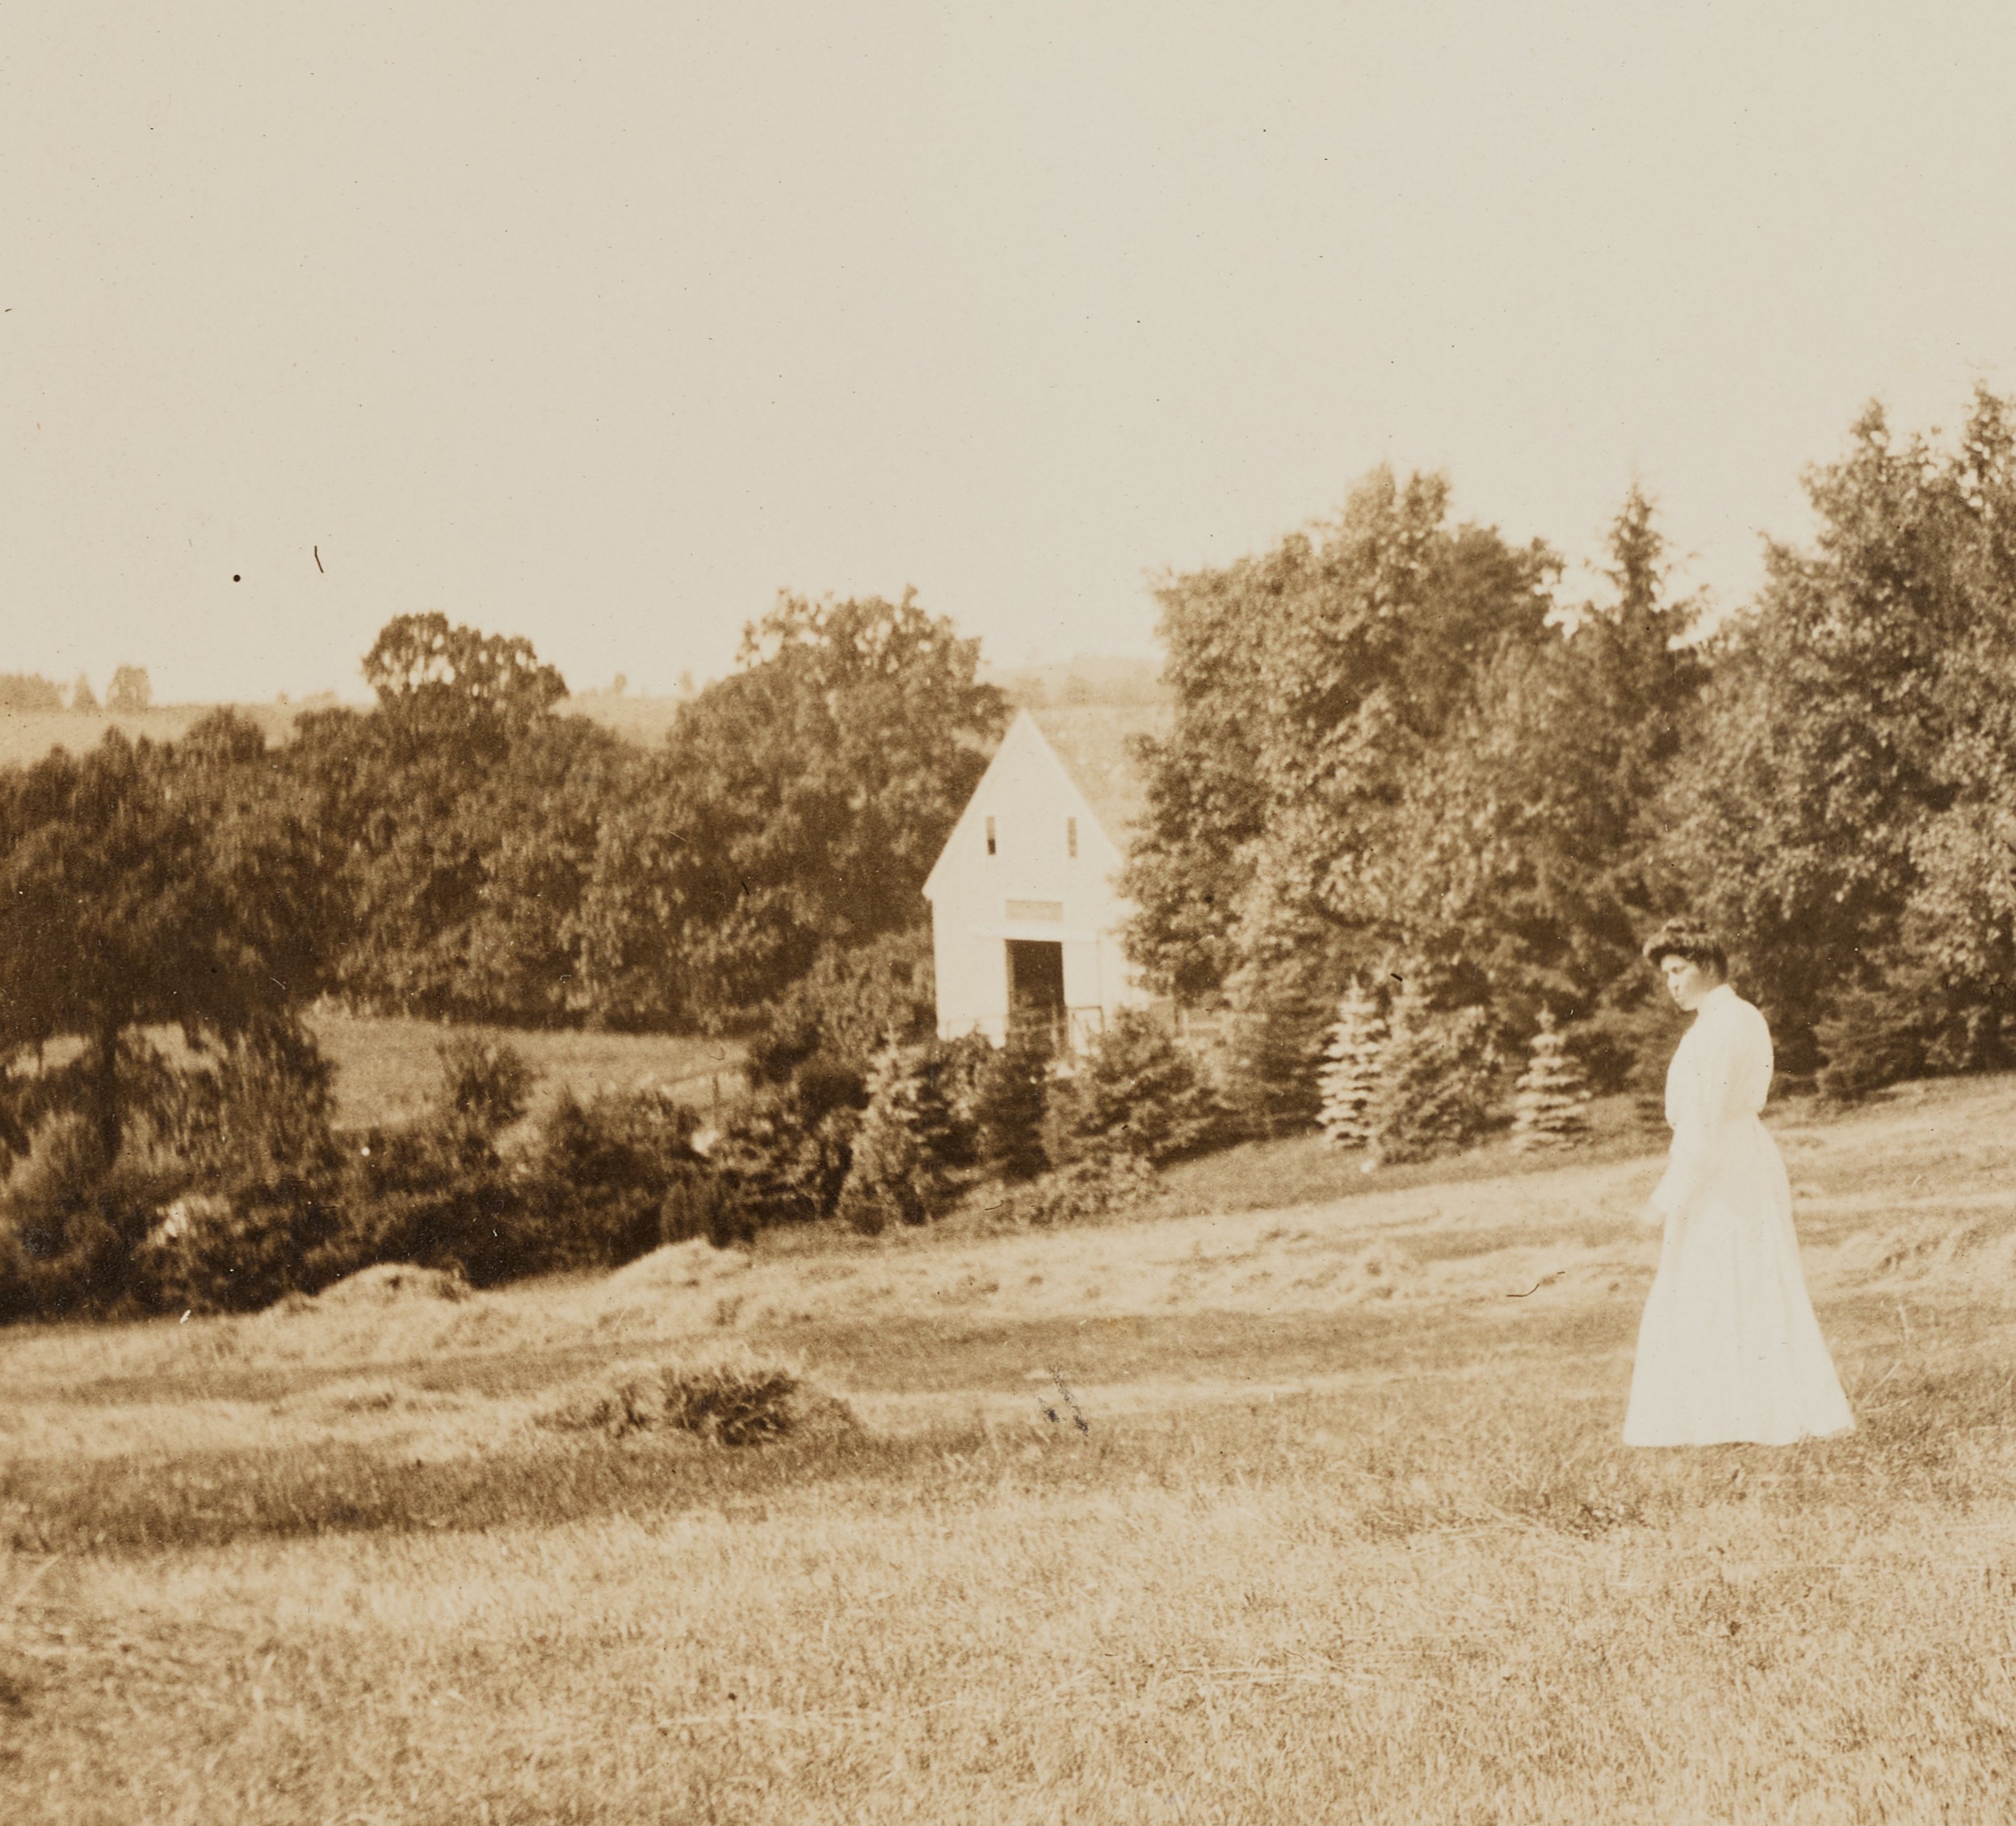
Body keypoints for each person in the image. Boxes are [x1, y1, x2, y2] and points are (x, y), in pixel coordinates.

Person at [1623, 917, 1854, 1447]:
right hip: (1744, 1154)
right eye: (1666, 974)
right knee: (1747, 1279)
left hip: (1723, 1167)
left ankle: (1735, 1414)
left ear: (1706, 966)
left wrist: (1664, 1199)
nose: (1672, 983)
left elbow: (1702, 1127)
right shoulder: (1742, 1017)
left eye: (1678, 970)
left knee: (1719, 1282)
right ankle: (1743, 1408)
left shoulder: (1719, 1029)